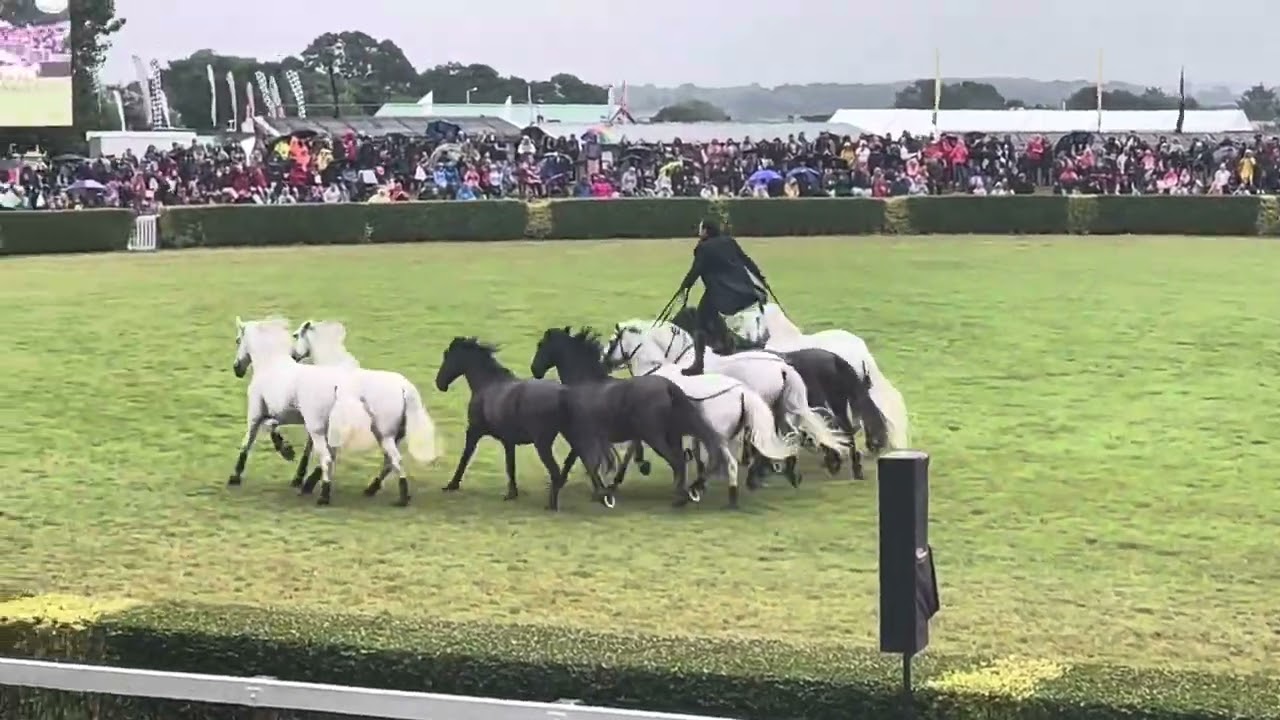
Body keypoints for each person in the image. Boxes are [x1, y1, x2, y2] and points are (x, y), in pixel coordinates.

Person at [677, 219, 770, 375]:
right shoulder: (729, 241)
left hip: (719, 291)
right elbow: (746, 260)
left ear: (706, 231)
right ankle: (725, 344)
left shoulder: (703, 248)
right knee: (712, 315)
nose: (699, 233)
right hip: (742, 288)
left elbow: (696, 270)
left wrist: (685, 286)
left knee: (700, 322)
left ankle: (699, 364)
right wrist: (761, 278)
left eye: (700, 229)